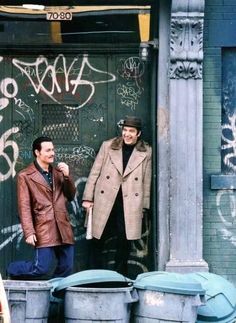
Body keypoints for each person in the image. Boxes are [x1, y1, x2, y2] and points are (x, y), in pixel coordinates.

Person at [82, 116, 152, 276]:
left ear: (138, 133)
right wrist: (88, 198)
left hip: (130, 203)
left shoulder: (146, 152)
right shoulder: (108, 146)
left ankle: (119, 276)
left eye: (131, 131)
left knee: (124, 241)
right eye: (125, 130)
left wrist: (144, 207)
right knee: (96, 238)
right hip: (105, 199)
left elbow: (146, 181)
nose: (127, 134)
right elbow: (95, 172)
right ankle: (93, 275)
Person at [7, 136, 76, 279]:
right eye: (48, 150)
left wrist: (67, 177)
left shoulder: (58, 173)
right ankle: (12, 270)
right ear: (37, 153)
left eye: (53, 149)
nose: (52, 153)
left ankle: (55, 296)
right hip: (44, 226)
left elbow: (70, 195)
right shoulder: (25, 175)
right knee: (41, 268)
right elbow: (24, 205)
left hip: (63, 226)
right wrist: (29, 231)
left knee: (67, 267)